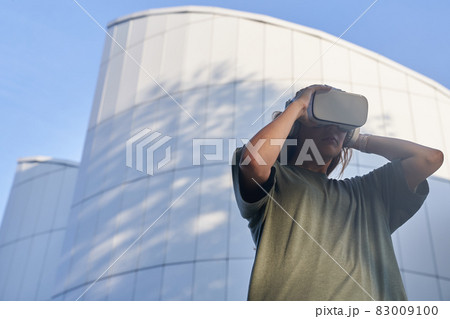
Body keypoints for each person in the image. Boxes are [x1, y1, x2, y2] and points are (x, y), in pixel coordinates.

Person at [231, 84, 444, 301]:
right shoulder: (278, 182)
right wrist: (299, 106)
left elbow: (429, 159)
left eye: (342, 125)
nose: (334, 128)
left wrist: (358, 138)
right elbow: (253, 162)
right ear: (296, 126)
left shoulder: (370, 194)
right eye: (323, 119)